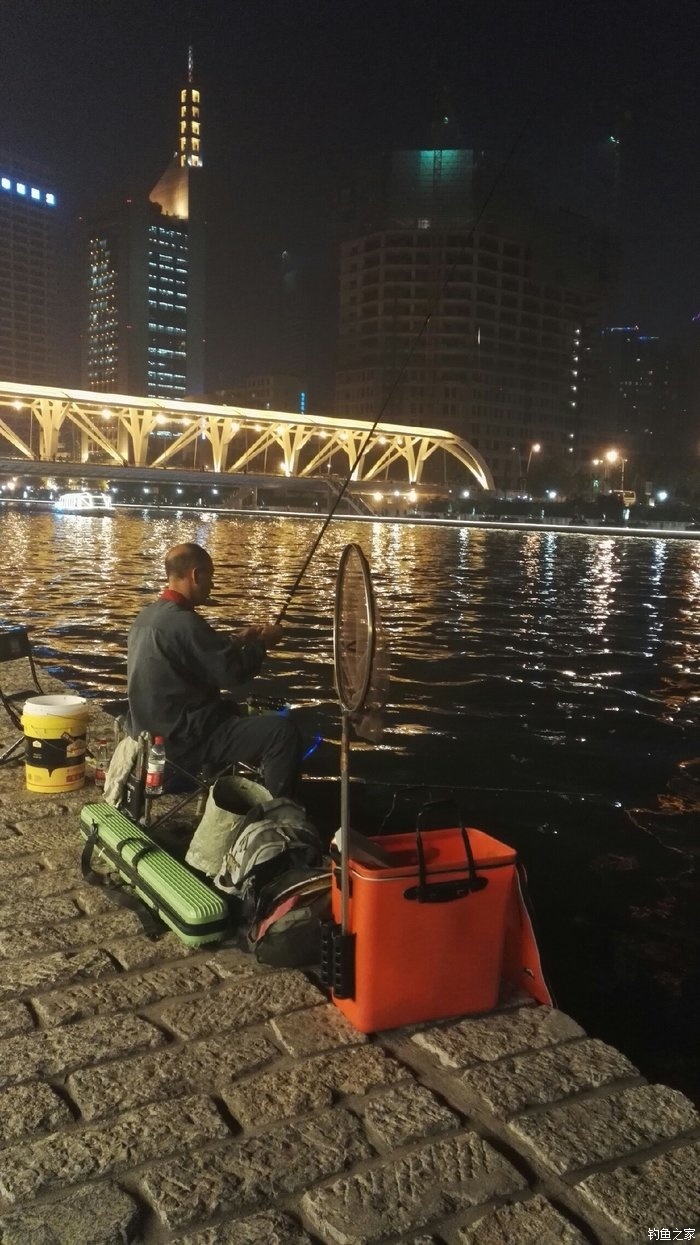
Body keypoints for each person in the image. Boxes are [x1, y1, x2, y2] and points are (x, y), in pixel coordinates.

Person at [125, 542, 302, 796]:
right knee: (281, 733)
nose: (212, 586)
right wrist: (264, 643)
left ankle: (215, 795)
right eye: (211, 577)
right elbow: (235, 673)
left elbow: (195, 652)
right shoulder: (185, 622)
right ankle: (277, 817)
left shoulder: (147, 617)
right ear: (196, 575)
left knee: (226, 710)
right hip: (182, 740)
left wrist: (239, 640)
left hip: (149, 733)